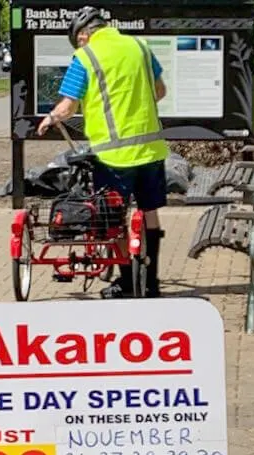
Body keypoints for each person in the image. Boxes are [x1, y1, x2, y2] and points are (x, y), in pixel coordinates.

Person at [37, 6, 168, 299]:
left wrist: (50, 119)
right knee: (150, 213)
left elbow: (68, 106)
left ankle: (128, 282)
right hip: (150, 148)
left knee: (113, 220)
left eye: (78, 40)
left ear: (83, 35)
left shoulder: (85, 57)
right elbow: (160, 91)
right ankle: (152, 282)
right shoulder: (141, 47)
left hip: (113, 155)